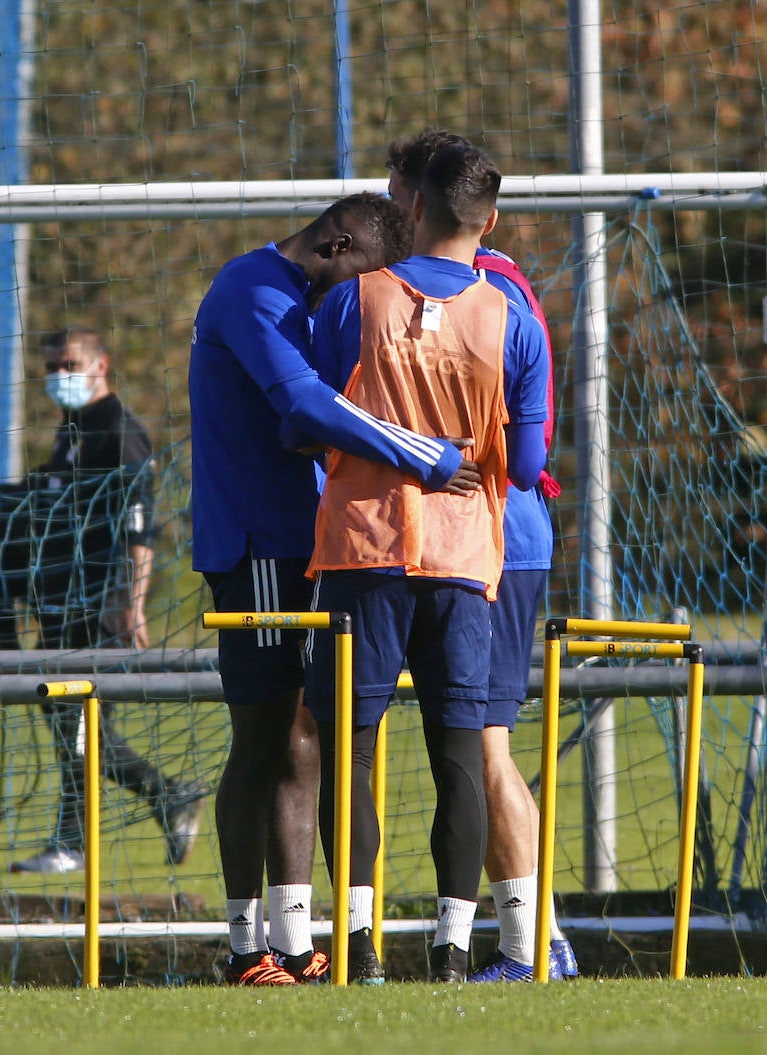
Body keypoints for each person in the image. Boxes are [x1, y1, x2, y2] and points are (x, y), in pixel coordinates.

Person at [189, 192, 481, 986]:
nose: (362, 293)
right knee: (258, 739)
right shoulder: (254, 289)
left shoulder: (303, 300)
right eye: (362, 274)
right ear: (339, 242)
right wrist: (430, 455)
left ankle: (294, 940)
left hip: (307, 545)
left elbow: (309, 421)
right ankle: (244, 945)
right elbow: (307, 404)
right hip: (253, 544)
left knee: (305, 734)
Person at [305, 145, 549, 983]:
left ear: (413, 212)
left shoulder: (353, 300)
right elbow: (526, 464)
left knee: (354, 749)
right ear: (490, 223)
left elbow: (307, 417)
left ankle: (362, 946)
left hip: (363, 551)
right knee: (457, 750)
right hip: (462, 558)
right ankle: (453, 947)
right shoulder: (510, 315)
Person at [384, 129, 578, 983]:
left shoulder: (485, 289)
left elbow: (525, 452)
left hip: (493, 536)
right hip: (469, 535)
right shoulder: (463, 282)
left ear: (421, 203)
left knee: (485, 742)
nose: (393, 214)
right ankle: (535, 935)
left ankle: (535, 943)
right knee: (478, 740)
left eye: (398, 199)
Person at [0, 327, 206, 875]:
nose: (59, 377)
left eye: (70, 365)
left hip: (98, 601)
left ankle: (147, 803)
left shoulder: (119, 432)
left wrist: (132, 601)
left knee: (78, 722)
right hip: (62, 600)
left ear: (101, 365)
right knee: (69, 721)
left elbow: (138, 525)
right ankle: (97, 825)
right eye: (52, 366)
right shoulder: (72, 428)